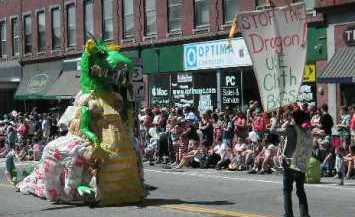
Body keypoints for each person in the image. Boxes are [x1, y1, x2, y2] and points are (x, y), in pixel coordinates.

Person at [282, 109, 312, 217]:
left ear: (294, 119)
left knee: (287, 190)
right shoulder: (308, 132)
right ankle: (305, 214)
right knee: (300, 191)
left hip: (291, 163)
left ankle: (288, 214)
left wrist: (276, 117)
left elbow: (272, 130)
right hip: (302, 164)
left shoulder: (292, 129)